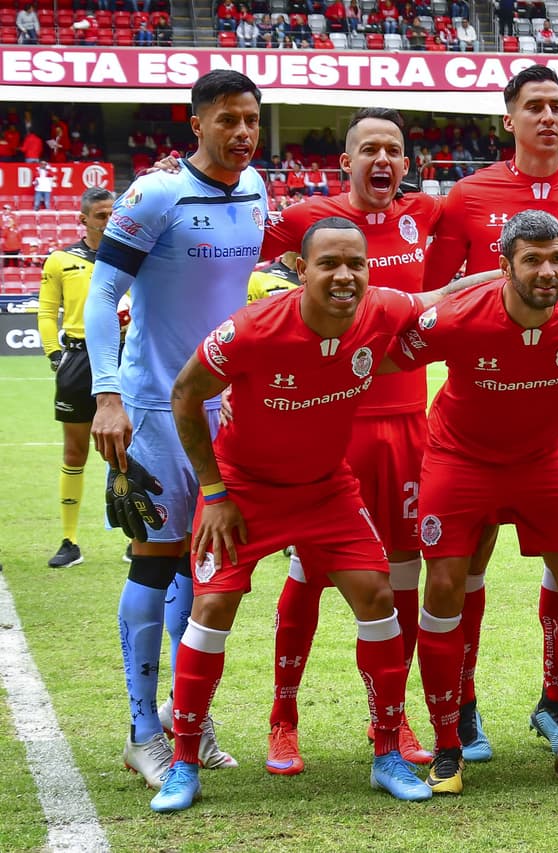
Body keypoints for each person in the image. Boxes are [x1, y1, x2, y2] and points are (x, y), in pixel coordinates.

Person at [148, 218, 437, 813]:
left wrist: (524, 277)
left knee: (377, 595)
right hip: (243, 491)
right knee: (212, 608)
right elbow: (185, 393)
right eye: (329, 263)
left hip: (327, 488)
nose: (345, 275)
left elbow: (443, 297)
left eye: (355, 264)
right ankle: (183, 763)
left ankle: (387, 752)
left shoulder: (381, 309)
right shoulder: (252, 329)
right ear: (301, 270)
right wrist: (215, 494)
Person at [393, 210, 558, 793]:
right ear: (504, 266)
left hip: (543, 461)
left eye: (557, 259)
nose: (548, 271)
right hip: (459, 461)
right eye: (532, 259)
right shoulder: (460, 313)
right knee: (444, 586)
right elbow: (382, 354)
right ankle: (449, 747)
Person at [421, 64, 558, 763]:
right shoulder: (468, 195)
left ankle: (557, 702)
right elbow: (433, 290)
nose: (548, 117)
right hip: (480, 409)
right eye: (534, 106)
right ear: (509, 119)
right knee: (464, 564)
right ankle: (462, 707)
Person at [83, 70, 267, 791]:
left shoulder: (256, 191)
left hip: (226, 409)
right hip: (157, 408)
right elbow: (104, 290)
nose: (242, 132)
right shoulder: (156, 193)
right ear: (197, 124)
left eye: (251, 119)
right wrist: (107, 395)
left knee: (210, 565)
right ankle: (141, 732)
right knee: (155, 558)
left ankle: (186, 716)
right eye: (227, 119)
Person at [255, 107, 447, 775]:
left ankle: (390, 716)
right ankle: (283, 718)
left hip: (408, 424)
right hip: (332, 425)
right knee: (308, 573)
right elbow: (230, 243)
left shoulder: (426, 211)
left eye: (393, 148)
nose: (382, 159)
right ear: (346, 162)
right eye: (369, 149)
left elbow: (497, 225)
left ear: (406, 163)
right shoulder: (308, 217)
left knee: (403, 573)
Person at [37, 187, 116, 569]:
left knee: (131, 451)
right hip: (79, 357)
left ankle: (138, 539)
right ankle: (70, 541)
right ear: (83, 219)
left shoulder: (133, 258)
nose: (108, 221)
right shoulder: (60, 260)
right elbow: (46, 311)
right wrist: (56, 355)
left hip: (123, 355)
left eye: (113, 214)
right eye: (101, 215)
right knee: (74, 452)